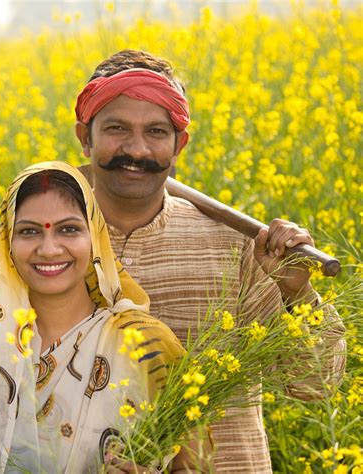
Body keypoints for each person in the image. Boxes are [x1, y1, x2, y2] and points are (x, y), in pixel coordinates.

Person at [74, 50, 346, 472]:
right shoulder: (49, 246)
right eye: (116, 128)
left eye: (157, 132)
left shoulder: (233, 245)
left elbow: (315, 383)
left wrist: (298, 292)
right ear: (84, 137)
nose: (137, 148)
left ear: (179, 144)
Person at [0, 161, 208, 473]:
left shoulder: (150, 349)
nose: (48, 249)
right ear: (8, 244)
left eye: (69, 229)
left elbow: (197, 467)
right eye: (29, 231)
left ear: (95, 238)